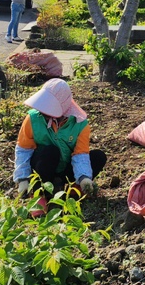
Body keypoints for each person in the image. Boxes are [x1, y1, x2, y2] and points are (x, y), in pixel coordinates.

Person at [13, 78, 107, 207]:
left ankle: (73, 190)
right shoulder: (32, 119)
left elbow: (80, 154)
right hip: (44, 166)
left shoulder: (80, 124)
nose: (44, 112)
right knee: (50, 151)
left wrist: (84, 177)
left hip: (66, 168)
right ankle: (39, 193)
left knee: (98, 157)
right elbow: (23, 150)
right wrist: (23, 178)